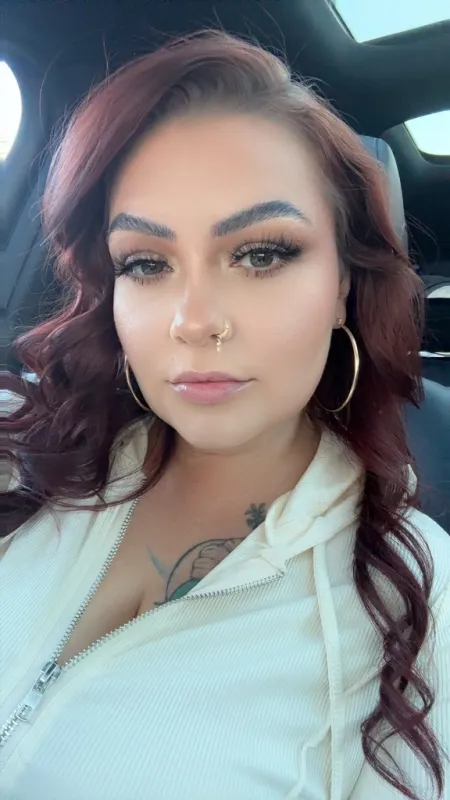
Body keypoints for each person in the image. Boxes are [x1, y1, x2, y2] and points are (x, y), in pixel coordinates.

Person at [1, 29, 448, 800]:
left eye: (261, 254)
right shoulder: (21, 444)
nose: (194, 320)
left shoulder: (420, 606)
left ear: (343, 282)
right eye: (147, 263)